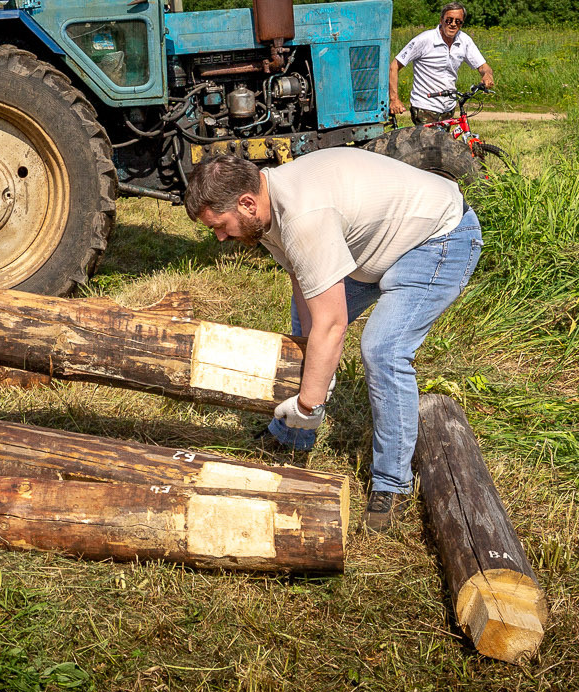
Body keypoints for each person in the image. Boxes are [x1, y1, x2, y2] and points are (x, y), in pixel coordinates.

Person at [183, 149, 483, 532]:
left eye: (220, 226)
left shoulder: (303, 215)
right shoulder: (266, 206)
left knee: (383, 349)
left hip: (440, 238)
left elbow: (332, 324)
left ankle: (393, 483)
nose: (221, 236)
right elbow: (302, 279)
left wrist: (309, 402)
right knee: (304, 324)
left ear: (246, 203)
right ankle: (294, 437)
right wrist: (313, 360)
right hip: (378, 246)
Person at [390, 2, 493, 124]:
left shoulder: (464, 40)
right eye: (449, 20)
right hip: (425, 106)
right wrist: (394, 99)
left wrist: (487, 75)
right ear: (441, 20)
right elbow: (395, 66)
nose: (453, 24)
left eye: (458, 21)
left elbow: (483, 66)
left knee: (444, 142)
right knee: (431, 143)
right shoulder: (425, 39)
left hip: (448, 107)